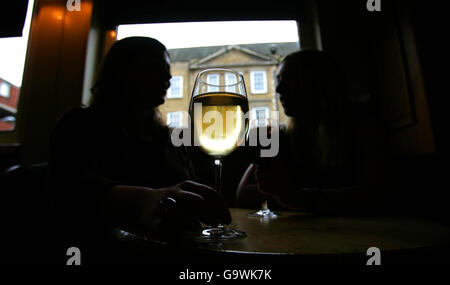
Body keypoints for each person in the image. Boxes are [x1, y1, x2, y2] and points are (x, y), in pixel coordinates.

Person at [48, 37, 230, 263]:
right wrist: (147, 200)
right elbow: (69, 190)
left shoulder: (168, 138)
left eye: (168, 70)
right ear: (122, 72)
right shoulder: (79, 125)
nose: (169, 77)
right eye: (155, 68)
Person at [236, 49, 357, 213]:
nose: (278, 89)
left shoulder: (359, 126)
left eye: (290, 80)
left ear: (318, 82)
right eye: (278, 80)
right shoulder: (281, 136)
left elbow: (379, 194)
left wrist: (294, 195)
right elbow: (243, 195)